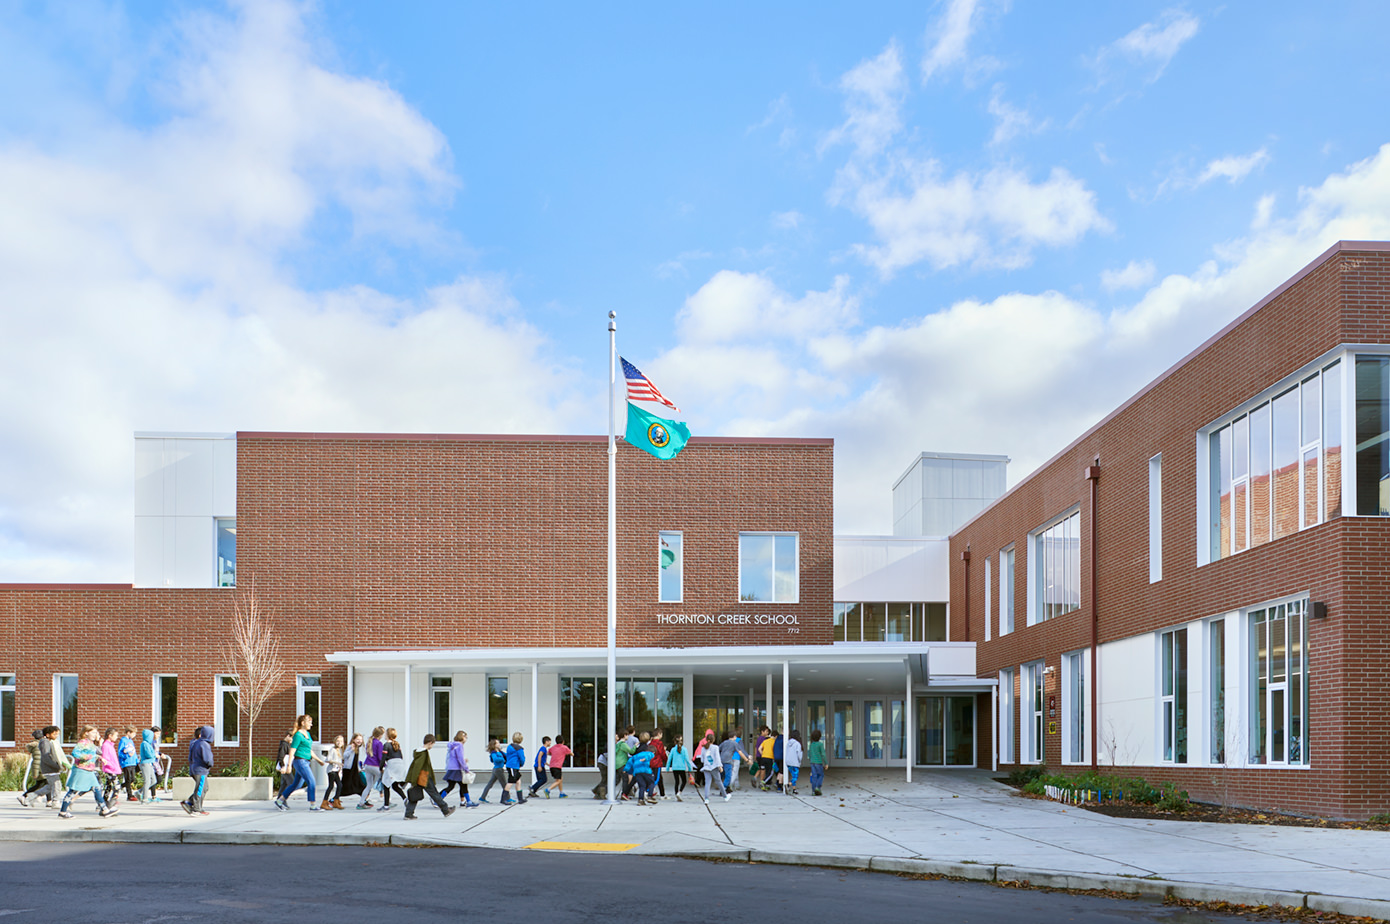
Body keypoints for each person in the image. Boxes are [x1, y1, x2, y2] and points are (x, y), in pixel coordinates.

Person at [58, 726, 117, 819]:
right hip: (81, 770)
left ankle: (105, 810)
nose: (95, 735)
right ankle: (63, 812)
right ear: (86, 733)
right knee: (73, 790)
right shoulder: (83, 742)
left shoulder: (91, 743)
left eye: (96, 733)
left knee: (97, 788)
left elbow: (93, 753)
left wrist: (99, 757)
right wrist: (87, 757)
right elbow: (75, 753)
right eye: (93, 733)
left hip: (89, 771)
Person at [274, 714, 326, 811]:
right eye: (309, 722)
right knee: (312, 781)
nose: (311, 724)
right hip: (300, 761)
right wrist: (288, 765)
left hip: (306, 761)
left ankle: (280, 801)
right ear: (303, 723)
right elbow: (292, 750)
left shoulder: (308, 734)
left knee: (296, 785)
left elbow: (309, 750)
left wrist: (319, 761)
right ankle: (313, 805)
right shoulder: (298, 735)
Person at [403, 734, 454, 820]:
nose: (432, 746)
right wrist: (414, 780)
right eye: (433, 744)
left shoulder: (418, 752)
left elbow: (414, 766)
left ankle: (408, 814)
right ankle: (446, 810)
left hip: (419, 778)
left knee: (414, 795)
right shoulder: (423, 753)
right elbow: (417, 767)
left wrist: (413, 780)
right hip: (424, 777)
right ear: (430, 743)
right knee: (434, 793)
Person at [19, 726, 67, 808]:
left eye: (57, 734)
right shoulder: (45, 742)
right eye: (55, 734)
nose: (56, 736)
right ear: (48, 735)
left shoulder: (48, 742)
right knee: (57, 785)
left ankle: (33, 795)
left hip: (50, 768)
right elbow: (46, 756)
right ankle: (55, 802)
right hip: (50, 768)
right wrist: (55, 766)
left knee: (50, 786)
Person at [182, 725, 214, 815]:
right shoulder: (204, 744)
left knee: (204, 788)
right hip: (201, 770)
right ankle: (196, 809)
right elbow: (207, 758)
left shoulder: (196, 742)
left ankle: (189, 802)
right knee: (200, 789)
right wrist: (210, 764)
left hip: (195, 768)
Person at [441, 730, 476, 807]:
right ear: (462, 737)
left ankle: (467, 801)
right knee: (458, 785)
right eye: (465, 737)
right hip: (456, 769)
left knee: (455, 786)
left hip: (451, 768)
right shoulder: (459, 745)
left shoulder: (453, 745)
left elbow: (455, 757)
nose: (466, 739)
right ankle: (439, 800)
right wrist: (466, 768)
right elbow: (459, 758)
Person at [376, 728, 408, 812]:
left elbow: (383, 758)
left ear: (388, 735)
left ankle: (386, 806)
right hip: (400, 764)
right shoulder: (397, 744)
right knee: (394, 785)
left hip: (392, 765)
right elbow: (401, 756)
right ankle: (405, 799)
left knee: (386, 784)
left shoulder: (386, 744)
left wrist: (381, 767)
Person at [356, 727, 385, 810]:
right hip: (375, 766)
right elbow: (380, 757)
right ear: (380, 735)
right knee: (386, 781)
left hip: (367, 765)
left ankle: (361, 803)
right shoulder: (379, 743)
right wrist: (384, 765)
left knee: (369, 786)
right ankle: (387, 801)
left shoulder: (370, 742)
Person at [699, 730, 729, 803]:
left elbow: (702, 760)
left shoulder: (703, 748)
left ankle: (706, 799)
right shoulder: (715, 747)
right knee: (719, 782)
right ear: (713, 740)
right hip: (714, 767)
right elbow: (717, 757)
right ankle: (725, 796)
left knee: (707, 783)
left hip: (706, 767)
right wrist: (720, 766)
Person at [626, 733, 655, 805]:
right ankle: (650, 796)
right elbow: (651, 755)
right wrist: (645, 759)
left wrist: (626, 769)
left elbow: (631, 760)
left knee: (642, 786)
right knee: (651, 782)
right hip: (646, 770)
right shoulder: (648, 751)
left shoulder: (637, 751)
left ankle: (640, 799)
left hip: (637, 771)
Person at [541, 734, 570, 798]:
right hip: (557, 767)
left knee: (560, 778)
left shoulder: (553, 747)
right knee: (558, 781)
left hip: (552, 766)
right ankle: (548, 790)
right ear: (563, 741)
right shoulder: (564, 747)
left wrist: (554, 754)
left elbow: (548, 753)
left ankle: (561, 793)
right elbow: (571, 753)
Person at [478, 737, 507, 803]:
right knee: (504, 785)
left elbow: (506, 755)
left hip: (497, 770)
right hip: (498, 770)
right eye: (497, 743)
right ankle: (507, 798)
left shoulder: (500, 752)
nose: (499, 744)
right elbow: (495, 760)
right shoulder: (494, 753)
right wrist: (502, 759)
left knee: (490, 784)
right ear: (494, 745)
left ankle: (482, 797)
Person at [99, 727, 122, 807]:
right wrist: (112, 766)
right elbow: (105, 758)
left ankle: (103, 803)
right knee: (117, 787)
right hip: (110, 770)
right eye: (115, 735)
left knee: (108, 787)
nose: (117, 737)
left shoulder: (110, 745)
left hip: (112, 769)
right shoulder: (106, 745)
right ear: (110, 736)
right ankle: (111, 804)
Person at [340, 733, 366, 804]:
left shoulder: (357, 748)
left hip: (354, 770)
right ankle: (334, 799)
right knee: (345, 786)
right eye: (357, 739)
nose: (359, 741)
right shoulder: (350, 746)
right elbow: (344, 756)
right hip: (348, 770)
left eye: (361, 739)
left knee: (360, 785)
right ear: (353, 739)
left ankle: (364, 800)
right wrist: (351, 750)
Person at [503, 732, 528, 805]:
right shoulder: (519, 749)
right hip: (514, 766)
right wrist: (521, 764)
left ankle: (520, 799)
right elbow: (522, 758)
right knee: (510, 782)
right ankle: (504, 799)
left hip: (510, 765)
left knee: (518, 781)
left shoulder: (509, 747)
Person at [665, 733, 691, 802]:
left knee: (677, 782)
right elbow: (687, 760)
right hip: (682, 768)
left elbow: (669, 759)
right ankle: (679, 792)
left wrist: (667, 768)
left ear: (674, 742)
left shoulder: (673, 749)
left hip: (675, 768)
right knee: (684, 781)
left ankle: (676, 794)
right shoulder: (684, 750)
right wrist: (690, 768)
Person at [117, 727, 140, 802]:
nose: (134, 735)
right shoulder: (123, 740)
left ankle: (120, 786)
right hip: (126, 763)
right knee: (128, 778)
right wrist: (126, 756)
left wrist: (136, 760)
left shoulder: (131, 741)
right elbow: (120, 752)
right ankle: (129, 795)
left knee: (132, 778)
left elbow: (133, 752)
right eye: (133, 733)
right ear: (128, 732)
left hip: (132, 762)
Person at [138, 727, 161, 802]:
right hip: (146, 763)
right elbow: (149, 755)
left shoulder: (148, 744)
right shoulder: (145, 744)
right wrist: (155, 755)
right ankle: (144, 798)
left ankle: (139, 791)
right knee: (147, 781)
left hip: (150, 763)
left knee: (153, 780)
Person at [322, 735, 344, 810]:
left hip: (336, 770)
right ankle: (324, 802)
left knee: (340, 785)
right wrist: (337, 763)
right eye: (338, 741)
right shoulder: (333, 750)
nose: (339, 743)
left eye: (341, 741)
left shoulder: (339, 750)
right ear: (335, 741)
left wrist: (340, 766)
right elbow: (328, 760)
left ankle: (336, 801)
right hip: (331, 771)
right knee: (331, 786)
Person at [784, 730, 804, 796]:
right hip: (795, 762)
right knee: (795, 776)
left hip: (788, 762)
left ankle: (794, 789)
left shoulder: (788, 743)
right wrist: (799, 761)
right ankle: (788, 785)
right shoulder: (797, 744)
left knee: (793, 775)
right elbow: (799, 754)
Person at [650, 729, 668, 799]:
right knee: (656, 779)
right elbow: (662, 753)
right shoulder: (659, 743)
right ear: (659, 734)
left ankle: (662, 794)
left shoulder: (650, 743)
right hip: (657, 763)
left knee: (659, 778)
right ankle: (647, 791)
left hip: (651, 762)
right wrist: (666, 760)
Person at [807, 729, 826, 796]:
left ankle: (813, 791)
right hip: (819, 762)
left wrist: (810, 760)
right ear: (820, 737)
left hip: (812, 762)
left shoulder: (811, 745)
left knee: (814, 776)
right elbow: (823, 754)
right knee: (820, 775)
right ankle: (818, 787)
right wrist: (826, 763)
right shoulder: (820, 744)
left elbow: (809, 754)